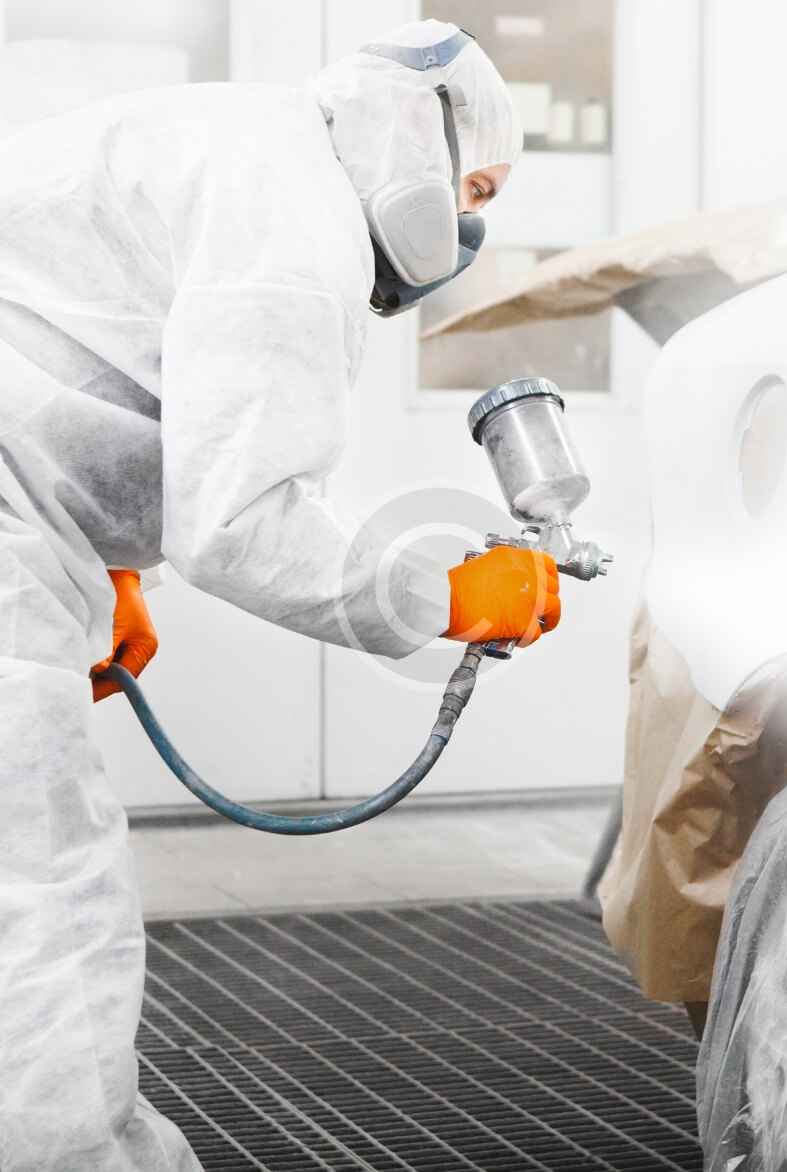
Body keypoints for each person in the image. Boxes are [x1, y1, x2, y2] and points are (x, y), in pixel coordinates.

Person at [0, 16, 559, 1171]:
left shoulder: (245, 144)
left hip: (23, 514)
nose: (464, 231)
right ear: (425, 133)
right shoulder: (294, 208)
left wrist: (110, 573)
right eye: (476, 189)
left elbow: (80, 347)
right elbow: (239, 521)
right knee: (40, 890)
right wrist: (447, 594)